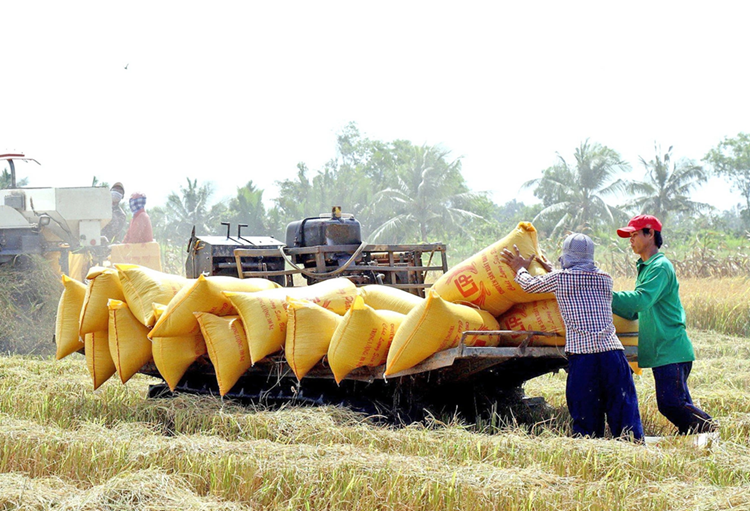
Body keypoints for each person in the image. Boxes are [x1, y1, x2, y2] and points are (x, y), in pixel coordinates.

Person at [501, 233, 643, 441]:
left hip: (585, 357)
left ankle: (590, 448)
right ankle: (633, 448)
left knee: (586, 411)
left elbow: (530, 285)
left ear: (566, 257)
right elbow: (578, 282)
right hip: (613, 354)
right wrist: (553, 270)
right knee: (623, 409)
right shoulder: (605, 278)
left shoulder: (561, 279)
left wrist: (518, 267)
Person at [612, 215, 715, 434]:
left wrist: (602, 293)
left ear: (650, 234)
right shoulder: (647, 267)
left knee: (671, 403)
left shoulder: (659, 267)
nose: (630, 240)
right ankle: (699, 440)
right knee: (680, 406)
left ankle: (711, 429)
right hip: (664, 350)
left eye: (634, 234)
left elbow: (641, 300)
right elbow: (633, 310)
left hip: (670, 349)